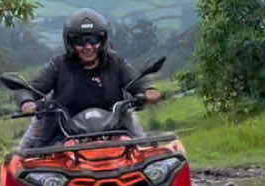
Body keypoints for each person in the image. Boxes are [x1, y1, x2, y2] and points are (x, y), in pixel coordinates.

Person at [16, 9, 162, 150]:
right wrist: (27, 102)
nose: (88, 47)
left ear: (103, 40)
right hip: (64, 128)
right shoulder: (58, 65)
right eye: (80, 41)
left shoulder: (116, 63)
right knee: (24, 158)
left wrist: (148, 91)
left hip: (114, 126)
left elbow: (136, 82)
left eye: (94, 40)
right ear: (70, 43)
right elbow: (29, 88)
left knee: (144, 151)